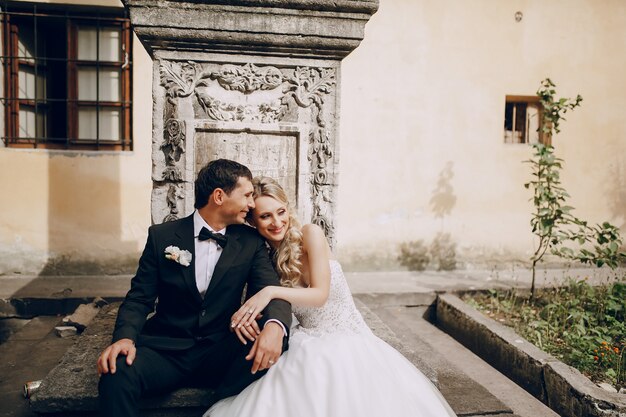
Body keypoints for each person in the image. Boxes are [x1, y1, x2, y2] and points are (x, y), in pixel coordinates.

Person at [205, 177, 456, 417]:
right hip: (305, 338)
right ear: (253, 222)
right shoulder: (264, 258)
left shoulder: (310, 233)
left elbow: (320, 295)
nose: (277, 222)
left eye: (281, 211)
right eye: (265, 216)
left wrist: (270, 291)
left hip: (348, 339)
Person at [97, 160, 292, 417]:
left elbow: (271, 290)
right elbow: (139, 299)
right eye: (246, 195)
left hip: (219, 350)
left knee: (279, 342)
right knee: (117, 370)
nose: (252, 204)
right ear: (219, 196)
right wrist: (124, 338)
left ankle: (222, 405)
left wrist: (275, 326)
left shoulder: (250, 241)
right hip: (166, 351)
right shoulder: (162, 237)